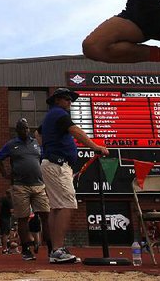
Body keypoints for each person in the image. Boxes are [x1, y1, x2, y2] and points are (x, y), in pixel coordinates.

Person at [39, 88, 109, 264]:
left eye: (71, 99)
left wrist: (47, 147)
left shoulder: (51, 116)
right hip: (57, 164)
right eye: (66, 98)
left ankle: (55, 249)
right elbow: (76, 131)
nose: (70, 101)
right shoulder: (58, 114)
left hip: (53, 163)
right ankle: (57, 250)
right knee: (67, 204)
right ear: (56, 100)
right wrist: (95, 146)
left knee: (56, 207)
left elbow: (37, 133)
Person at [0, 117, 52, 261]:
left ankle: (52, 249)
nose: (25, 130)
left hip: (38, 185)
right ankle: (26, 250)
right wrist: (5, 173)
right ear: (17, 130)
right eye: (22, 128)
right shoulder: (11, 144)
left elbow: (43, 159)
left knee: (46, 215)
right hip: (20, 186)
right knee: (23, 218)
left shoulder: (36, 144)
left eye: (27, 128)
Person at [0, 190, 13, 254]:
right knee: (6, 234)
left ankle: (5, 248)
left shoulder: (1, 199)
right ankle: (5, 249)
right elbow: (11, 210)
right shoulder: (9, 200)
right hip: (6, 218)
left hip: (2, 218)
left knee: (4, 234)